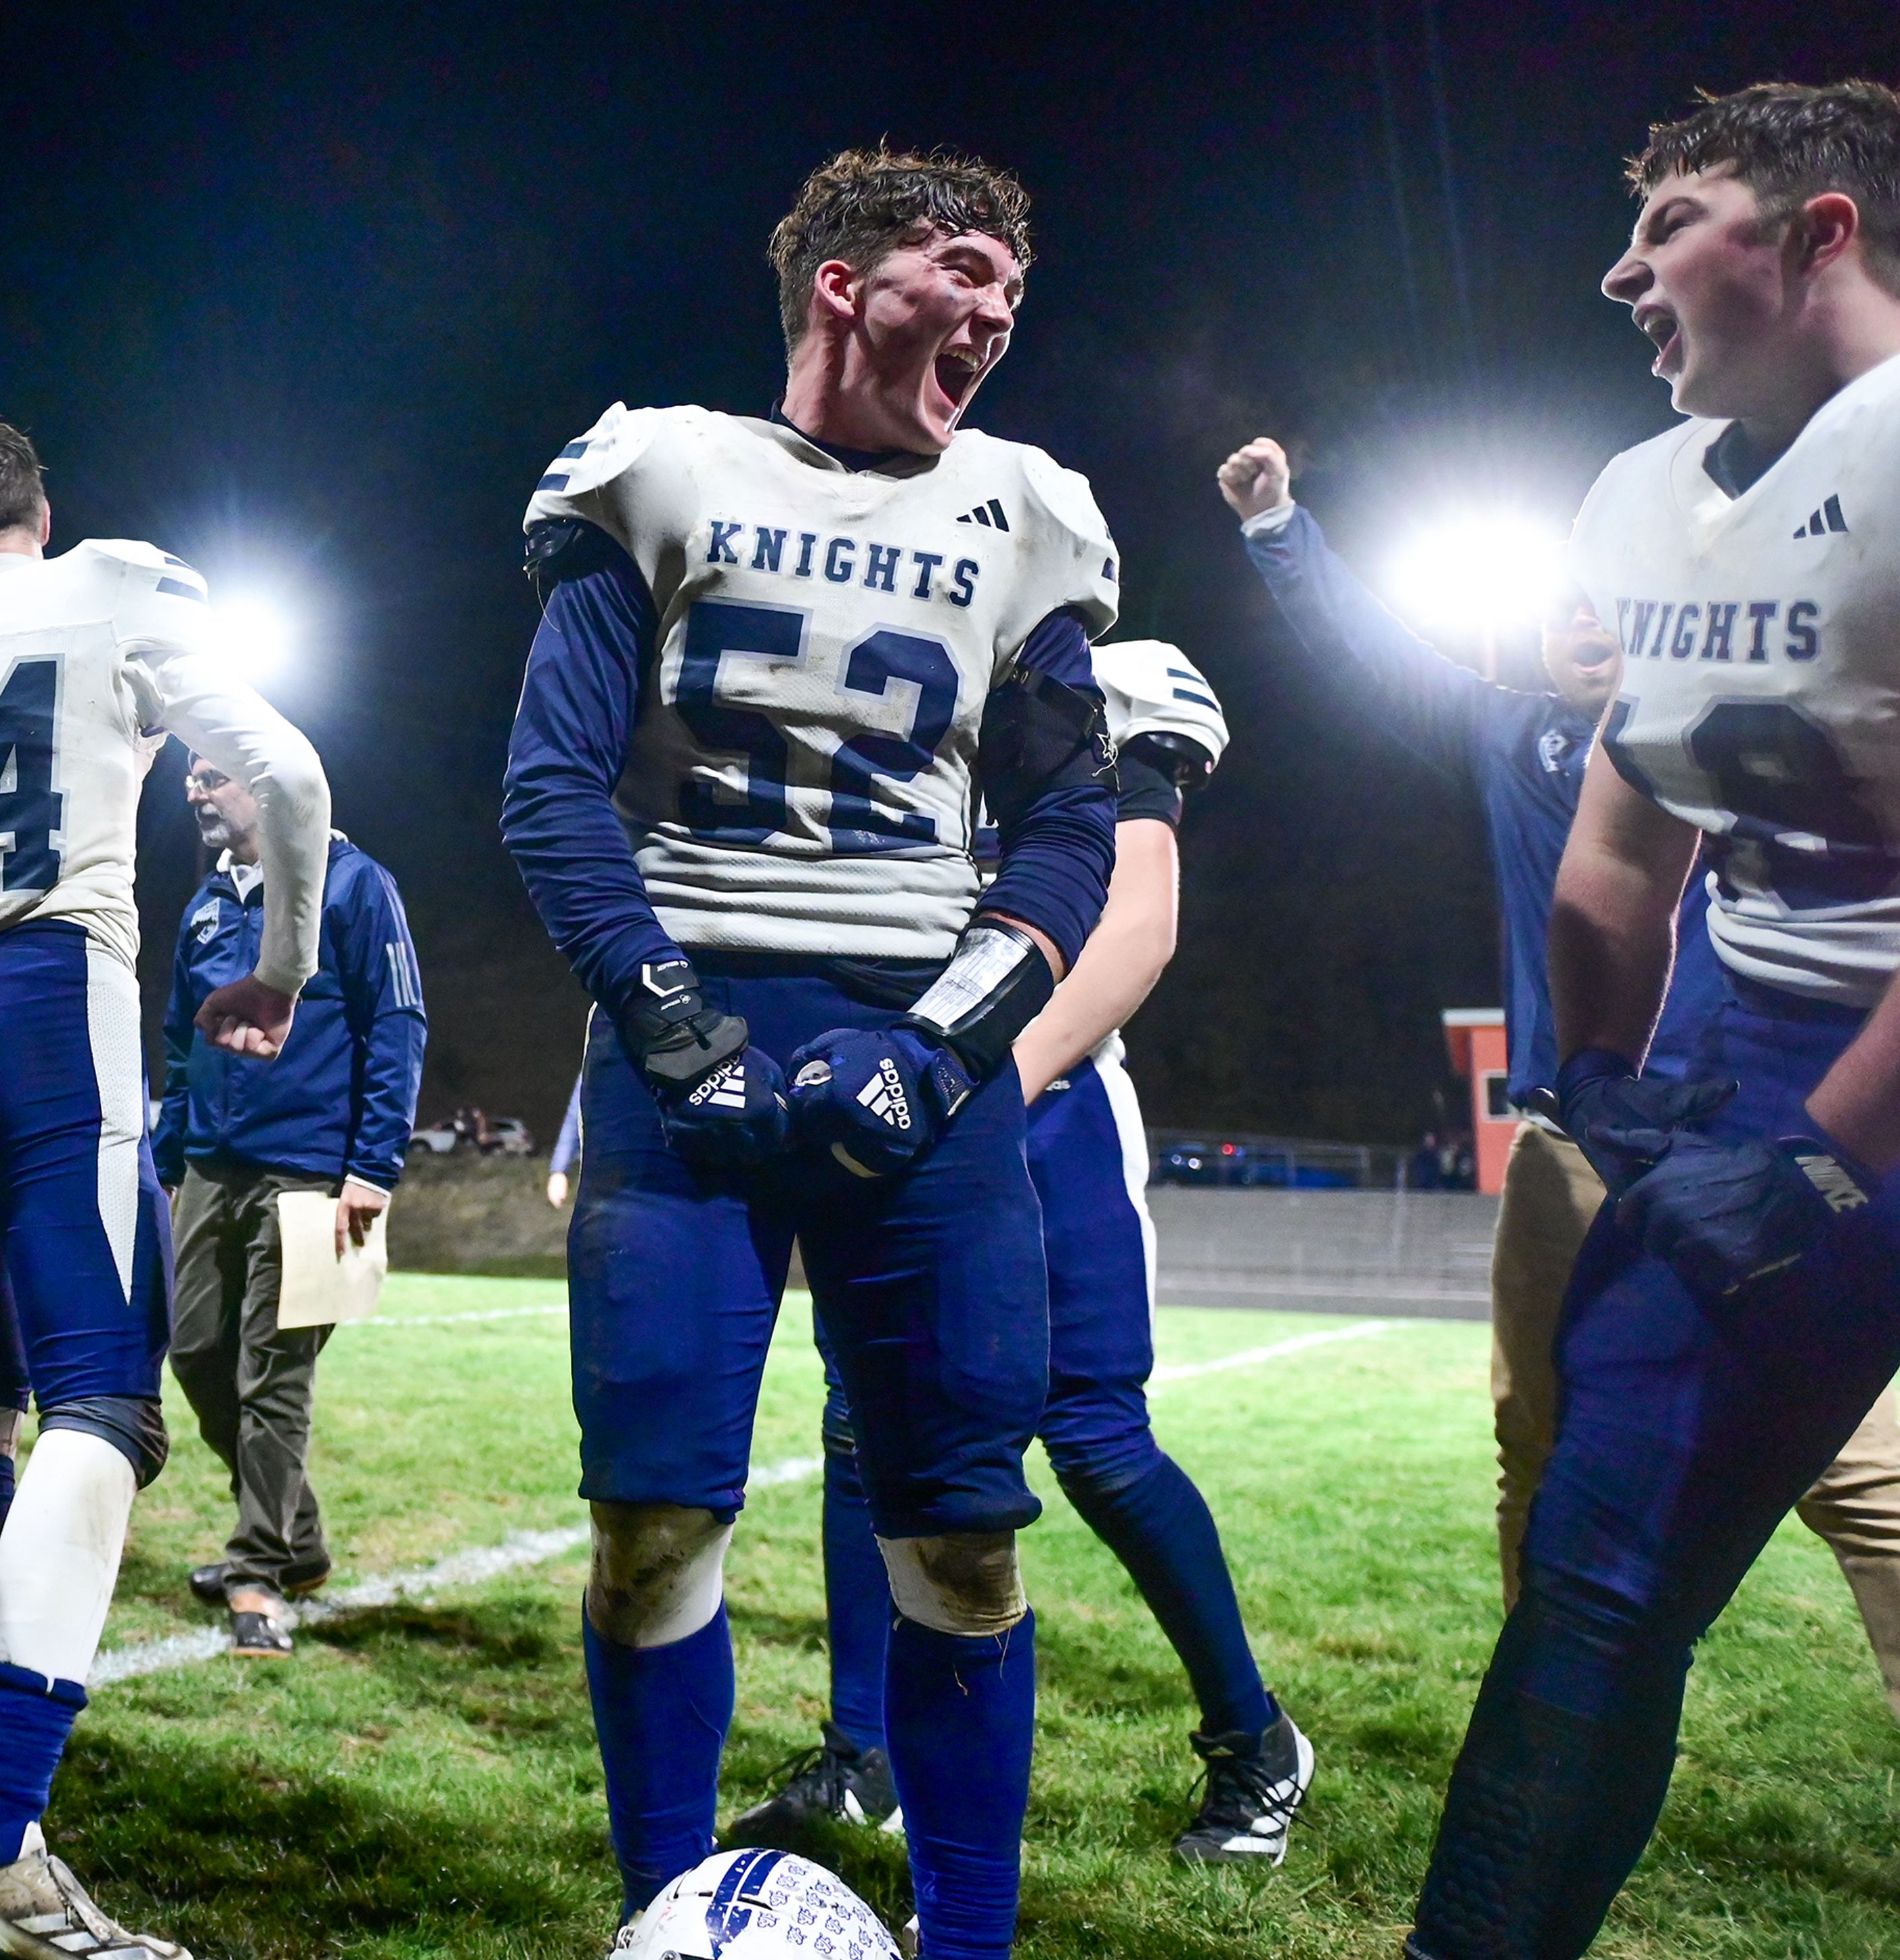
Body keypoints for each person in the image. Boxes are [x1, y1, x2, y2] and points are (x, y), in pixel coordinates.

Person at [502, 146, 1121, 1959]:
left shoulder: (1026, 510)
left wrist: (939, 1049)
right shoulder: (665, 462)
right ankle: (663, 1916)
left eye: (1015, 278)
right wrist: (669, 1017)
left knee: (964, 1540)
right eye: (962, 264)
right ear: (845, 281)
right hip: (684, 1040)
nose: (999, 305)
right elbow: (549, 785)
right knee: (653, 1521)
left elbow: (1068, 827)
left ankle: (970, 1935)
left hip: (921, 1057)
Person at [1408, 81, 1900, 1955]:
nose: (1622, 271)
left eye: (1673, 218)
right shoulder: (1646, 494)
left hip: (1855, 1087)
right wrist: (1611, 1084)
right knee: (1597, 1581)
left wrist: (1822, 1156)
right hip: (1764, 1057)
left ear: (1818, 231)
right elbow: (1618, 846)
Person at [1217, 424, 1900, 1695]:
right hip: (1573, 1149)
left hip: (1752, 1145)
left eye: (1613, 601)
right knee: (1536, 1439)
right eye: (1563, 605)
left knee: (1865, 1474)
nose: (1585, 620)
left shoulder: (1762, 720)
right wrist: (1280, 532)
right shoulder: (1508, 735)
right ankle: (1553, 1722)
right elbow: (1370, 661)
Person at [0, 397, 329, 1960]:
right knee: (106, 1401)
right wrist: (283, 968)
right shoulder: (124, 586)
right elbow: (284, 776)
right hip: (48, 1005)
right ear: (38, 509)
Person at [737, 642, 1314, 1868]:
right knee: (860, 1425)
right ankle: (867, 1753)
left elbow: (1138, 921)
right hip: (904, 1087)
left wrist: (978, 1079)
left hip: (1035, 1105)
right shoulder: (900, 675)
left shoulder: (1107, 679)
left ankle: (1255, 1740)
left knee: (1095, 1439)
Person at [156, 754, 426, 1656]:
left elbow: (397, 1021)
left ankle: (258, 1572)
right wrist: (166, 1156)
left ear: (272, 789)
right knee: (196, 1353)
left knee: (275, 1374)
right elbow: (177, 1039)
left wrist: (374, 1164)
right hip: (210, 1168)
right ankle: (298, 1536)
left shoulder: (352, 882)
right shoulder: (205, 904)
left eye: (215, 772)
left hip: (313, 1171)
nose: (196, 788)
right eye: (190, 773)